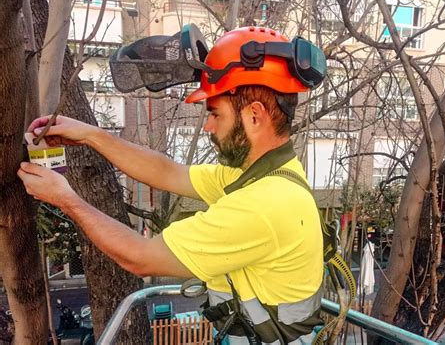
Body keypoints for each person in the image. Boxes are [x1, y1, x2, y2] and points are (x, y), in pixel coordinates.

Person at [18, 27, 325, 344]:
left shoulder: (265, 204)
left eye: (215, 114)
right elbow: (169, 173)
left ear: (255, 116)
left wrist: (66, 199)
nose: (208, 126)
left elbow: (140, 256)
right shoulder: (264, 175)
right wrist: (90, 135)